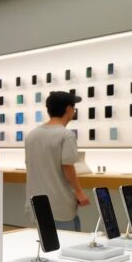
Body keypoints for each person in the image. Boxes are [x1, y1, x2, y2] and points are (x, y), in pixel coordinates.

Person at [25, 91, 89, 231]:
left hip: (37, 205)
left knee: (45, 246)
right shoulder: (66, 135)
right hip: (60, 205)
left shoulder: (31, 135)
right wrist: (79, 192)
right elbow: (67, 166)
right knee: (66, 246)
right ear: (69, 109)